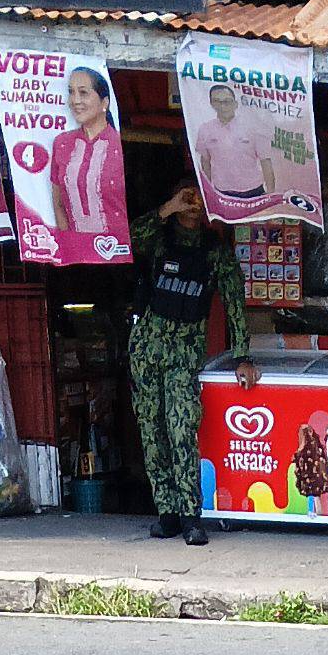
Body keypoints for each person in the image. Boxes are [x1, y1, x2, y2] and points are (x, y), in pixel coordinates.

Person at [129, 178, 260, 546]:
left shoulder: (214, 250)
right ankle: (167, 513)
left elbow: (234, 301)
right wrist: (168, 208)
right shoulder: (158, 237)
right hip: (146, 347)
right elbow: (125, 241)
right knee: (151, 429)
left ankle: (190, 515)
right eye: (185, 196)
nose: (191, 204)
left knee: (181, 427)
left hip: (184, 351)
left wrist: (242, 356)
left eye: (197, 198)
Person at [50, 67, 127, 234]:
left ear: (104, 103)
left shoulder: (120, 145)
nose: (75, 100)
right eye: (71, 92)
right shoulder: (62, 143)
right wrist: (70, 242)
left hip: (118, 247)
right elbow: (58, 203)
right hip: (75, 247)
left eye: (83, 92)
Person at [195, 85, 275, 198]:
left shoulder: (253, 128)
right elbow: (205, 162)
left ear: (235, 104)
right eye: (217, 101)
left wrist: (270, 193)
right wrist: (207, 192)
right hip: (221, 192)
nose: (223, 106)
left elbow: (265, 161)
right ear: (211, 104)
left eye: (227, 101)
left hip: (253, 190)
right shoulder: (205, 129)